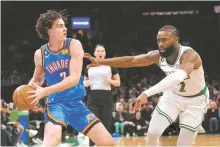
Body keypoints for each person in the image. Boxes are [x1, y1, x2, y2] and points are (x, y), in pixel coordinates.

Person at [84, 25, 209, 146]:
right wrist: (101, 61)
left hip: (195, 101)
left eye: (164, 40)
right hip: (173, 95)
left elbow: (177, 77)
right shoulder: (157, 55)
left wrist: (146, 93)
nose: (160, 44)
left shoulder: (190, 55)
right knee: (153, 132)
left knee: (183, 144)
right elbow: (132, 60)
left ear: (176, 40)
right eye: (158, 40)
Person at [27, 10, 114, 146]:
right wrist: (28, 91)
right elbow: (37, 80)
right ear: (49, 31)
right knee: (51, 141)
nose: (65, 28)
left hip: (76, 104)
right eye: (60, 26)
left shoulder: (74, 45)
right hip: (55, 104)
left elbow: (73, 78)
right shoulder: (40, 54)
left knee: (108, 143)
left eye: (64, 25)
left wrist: (45, 91)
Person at [84, 44, 120, 146]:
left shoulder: (110, 66)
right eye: (98, 51)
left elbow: (118, 82)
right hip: (92, 98)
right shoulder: (89, 67)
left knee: (105, 126)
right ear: (94, 53)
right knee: (93, 125)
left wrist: (111, 81)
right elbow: (84, 81)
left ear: (105, 54)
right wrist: (85, 83)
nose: (100, 53)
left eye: (102, 51)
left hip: (107, 98)